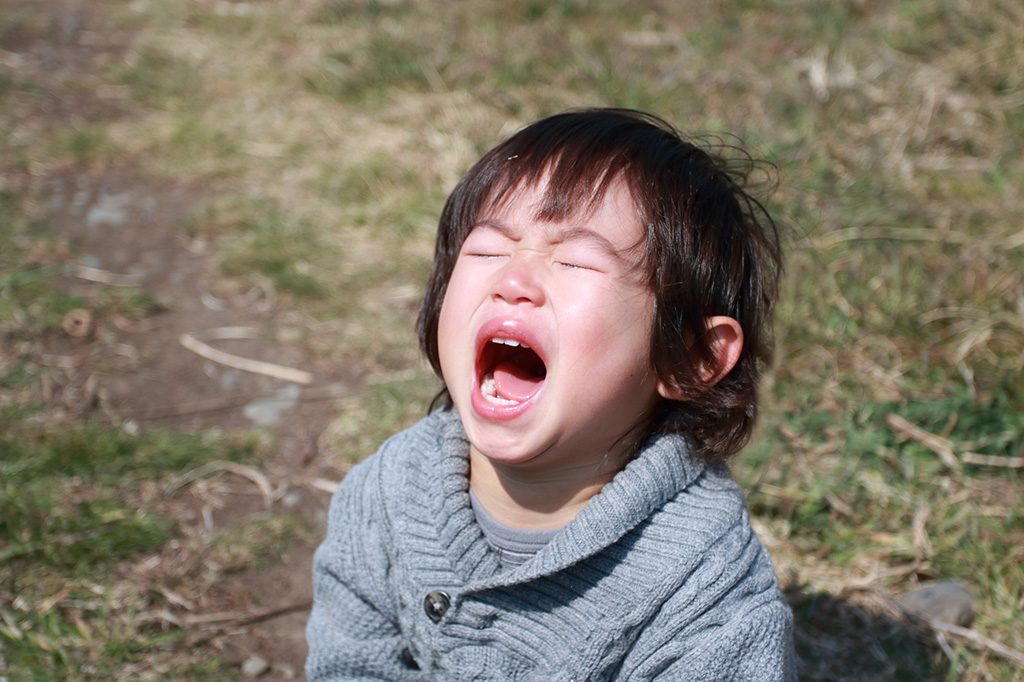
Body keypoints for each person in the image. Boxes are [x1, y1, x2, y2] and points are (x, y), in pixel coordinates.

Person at [306, 108, 795, 680]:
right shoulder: (388, 494)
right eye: (487, 251)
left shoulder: (706, 602)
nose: (512, 282)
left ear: (692, 359)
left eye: (574, 260)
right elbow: (351, 664)